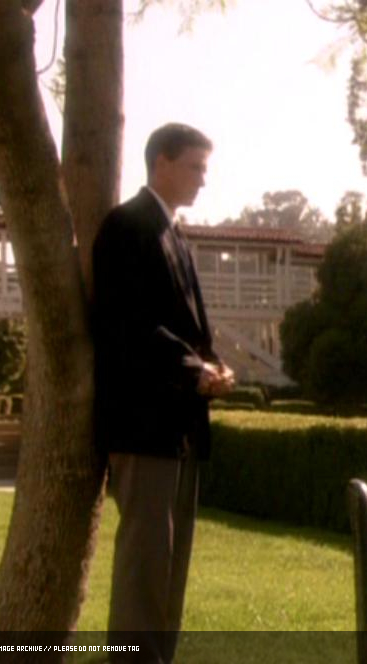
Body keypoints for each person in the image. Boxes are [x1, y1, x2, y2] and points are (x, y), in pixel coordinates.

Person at [93, 122, 235, 663]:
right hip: (142, 425)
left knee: (170, 569)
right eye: (196, 166)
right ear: (162, 163)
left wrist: (213, 367)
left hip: (181, 427)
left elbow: (186, 327)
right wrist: (191, 370)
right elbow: (125, 324)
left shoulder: (173, 233)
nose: (203, 179)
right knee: (145, 566)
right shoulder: (126, 226)